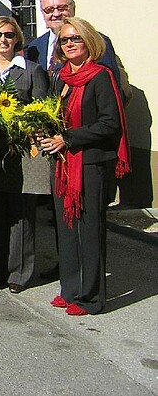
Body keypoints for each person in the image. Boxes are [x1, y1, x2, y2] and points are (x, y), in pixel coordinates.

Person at [38, 17, 130, 316]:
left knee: (88, 231)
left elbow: (109, 124)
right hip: (63, 164)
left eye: (75, 38)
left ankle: (91, 297)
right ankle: (71, 289)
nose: (70, 44)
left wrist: (67, 138)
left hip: (89, 164)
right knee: (66, 229)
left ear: (88, 41)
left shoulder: (100, 76)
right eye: (65, 40)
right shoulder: (62, 77)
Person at [0, 16, 50, 294]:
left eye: (8, 35)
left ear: (17, 38)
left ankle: (20, 273)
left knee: (21, 214)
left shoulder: (31, 70)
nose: (3, 41)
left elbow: (43, 110)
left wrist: (27, 125)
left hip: (22, 151)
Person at [25, 0, 123, 82]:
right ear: (42, 13)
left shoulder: (97, 41)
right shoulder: (35, 46)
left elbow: (111, 83)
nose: (56, 14)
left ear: (73, 9)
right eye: (49, 10)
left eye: (62, 8)